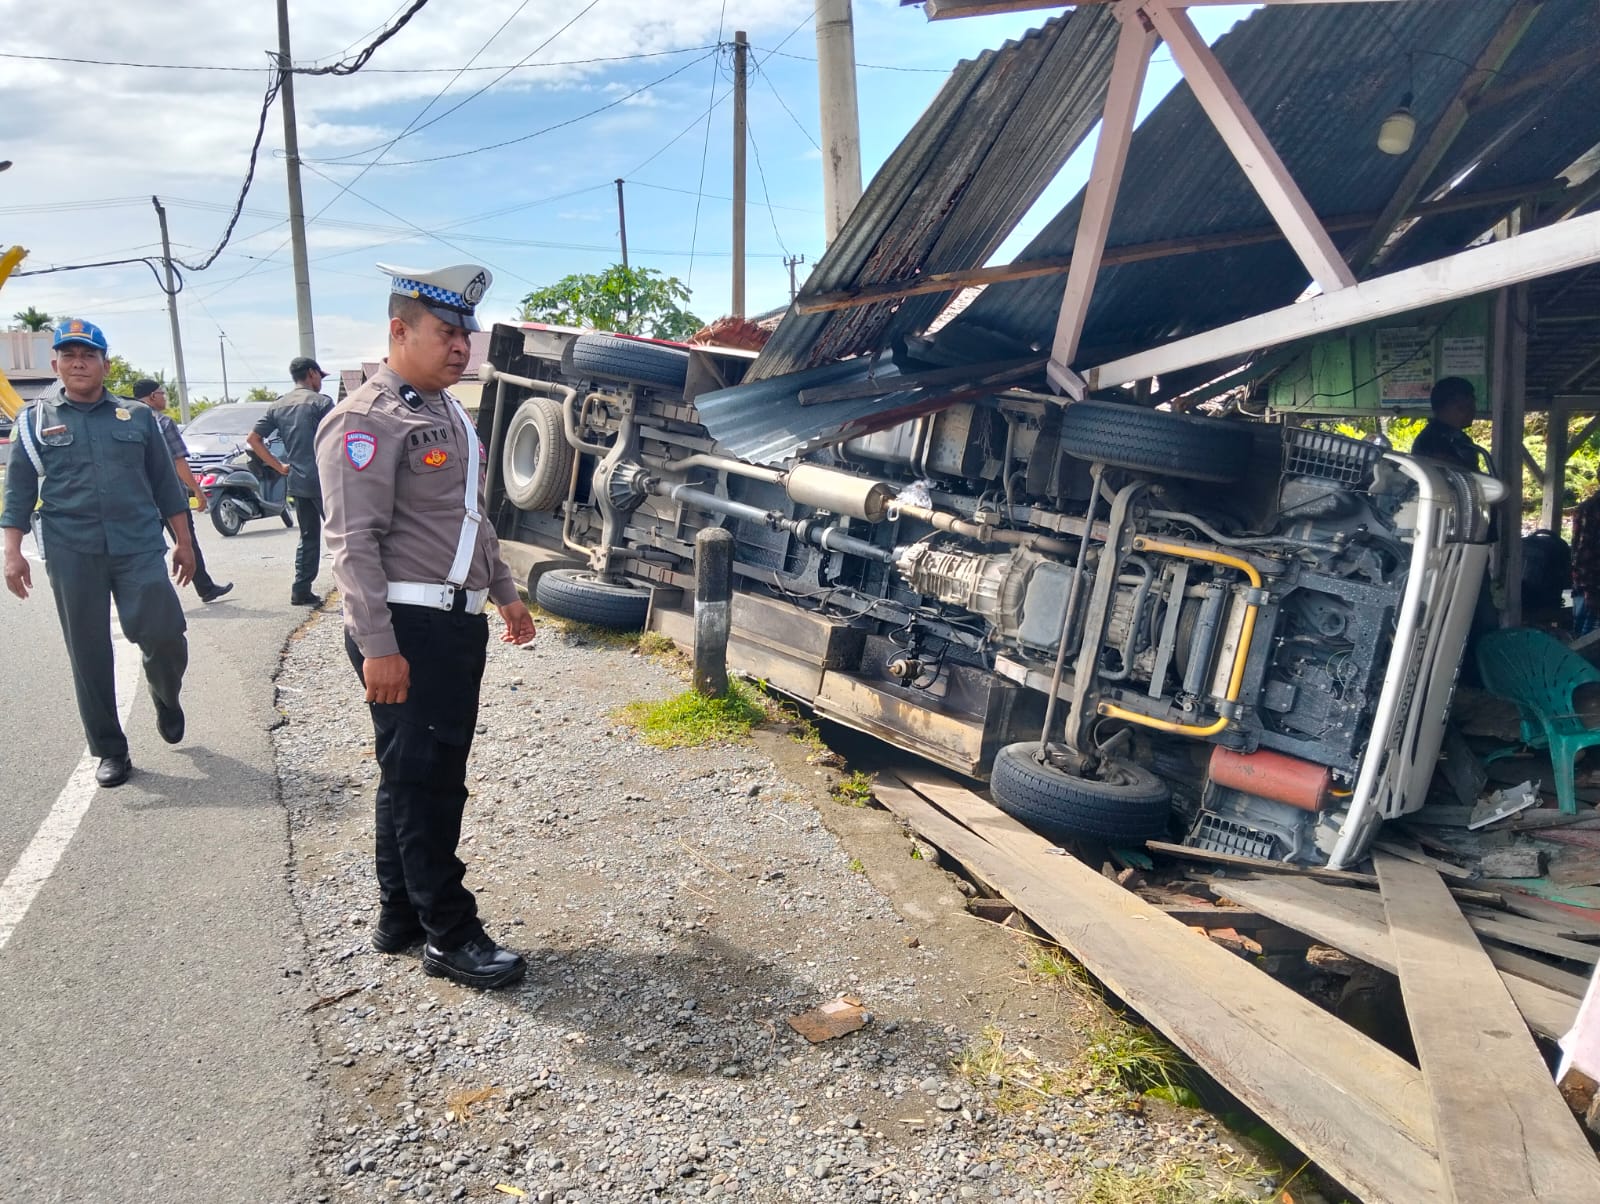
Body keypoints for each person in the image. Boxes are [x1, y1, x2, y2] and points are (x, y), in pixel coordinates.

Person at [315, 263, 537, 990]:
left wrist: (505, 593)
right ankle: (450, 933)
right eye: (446, 332)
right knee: (429, 783)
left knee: (410, 775)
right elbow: (353, 543)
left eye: (465, 334)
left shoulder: (446, 413)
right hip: (405, 627)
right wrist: (379, 646)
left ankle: (401, 914)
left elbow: (471, 523)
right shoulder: (365, 420)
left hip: (451, 623)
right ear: (398, 331)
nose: (460, 347)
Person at [1, 319, 195, 787]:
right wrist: (12, 551)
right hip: (72, 551)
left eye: (88, 355)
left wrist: (184, 542)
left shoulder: (139, 417)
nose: (78, 363)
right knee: (87, 651)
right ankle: (110, 749)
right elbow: (19, 491)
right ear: (56, 364)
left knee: (165, 633)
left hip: (138, 545)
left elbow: (166, 485)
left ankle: (165, 697)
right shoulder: (32, 421)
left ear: (105, 365)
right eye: (69, 355)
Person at [132, 379, 233, 603]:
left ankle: (147, 597)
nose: (165, 398)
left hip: (140, 497)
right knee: (186, 541)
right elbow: (178, 462)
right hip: (168, 496)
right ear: (151, 397)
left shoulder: (127, 420)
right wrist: (197, 491)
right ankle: (205, 588)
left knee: (146, 548)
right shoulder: (162, 423)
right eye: (162, 393)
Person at [249, 356, 333, 606]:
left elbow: (253, 439)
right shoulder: (322, 403)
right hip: (325, 480)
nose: (320, 381)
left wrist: (279, 466)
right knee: (343, 534)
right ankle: (351, 588)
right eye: (320, 376)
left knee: (308, 535)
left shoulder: (278, 406)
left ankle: (301, 588)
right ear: (311, 373)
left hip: (297, 479)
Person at [1410, 376, 1492, 475]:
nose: (1471, 412)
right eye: (1463, 407)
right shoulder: (1432, 441)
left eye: (1472, 406)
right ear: (1444, 408)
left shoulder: (1459, 438)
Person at [1573, 491, 1600, 637]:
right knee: (1584, 641)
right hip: (1591, 585)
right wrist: (1587, 589)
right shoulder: (1591, 508)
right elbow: (1581, 551)